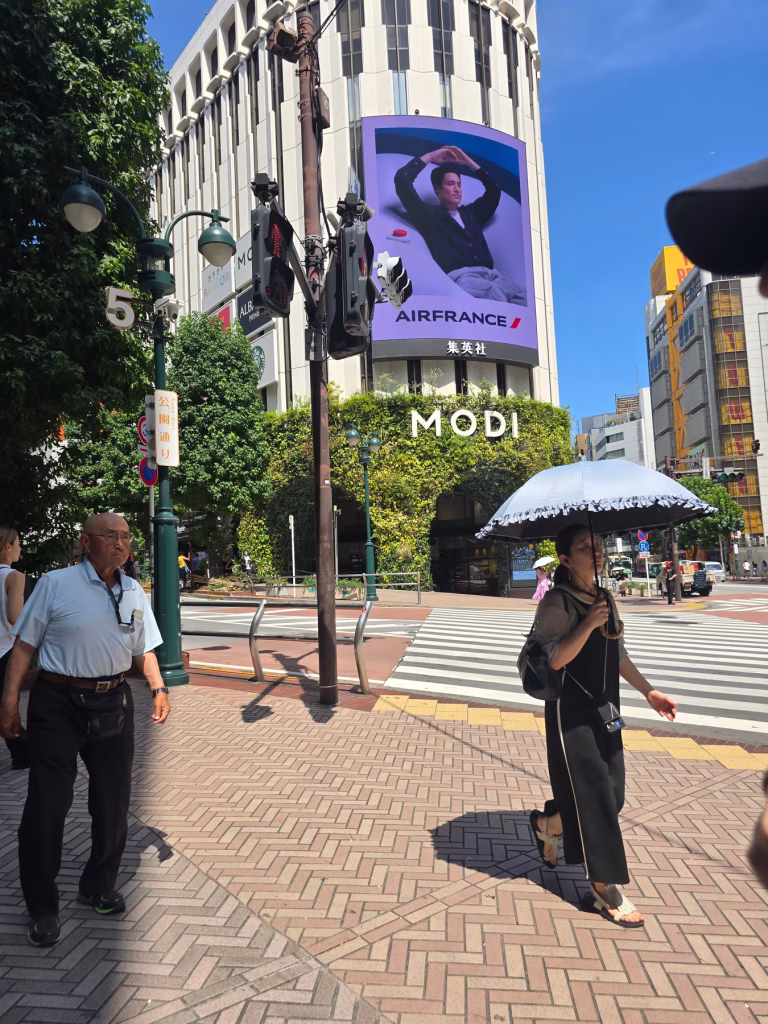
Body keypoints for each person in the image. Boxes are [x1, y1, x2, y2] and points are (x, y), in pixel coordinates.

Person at [0, 513, 171, 948]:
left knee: (113, 801)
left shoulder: (133, 590)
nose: (121, 543)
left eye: (126, 536)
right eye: (110, 536)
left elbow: (143, 647)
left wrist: (158, 687)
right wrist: (7, 703)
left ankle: (98, 883)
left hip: (113, 701)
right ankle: (42, 906)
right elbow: (23, 646)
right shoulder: (57, 584)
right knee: (47, 805)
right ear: (86, 542)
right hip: (57, 702)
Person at [528, 524, 677, 927]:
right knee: (594, 796)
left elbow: (619, 654)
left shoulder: (605, 597)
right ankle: (604, 888)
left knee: (613, 793)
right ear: (565, 558)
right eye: (584, 547)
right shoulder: (556, 602)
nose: (596, 552)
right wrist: (587, 624)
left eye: (597, 546)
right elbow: (554, 660)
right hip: (569, 713)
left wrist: (649, 692)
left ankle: (547, 824)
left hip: (604, 708)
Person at [394, 145, 526, 303]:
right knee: (494, 293)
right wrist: (431, 156)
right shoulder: (428, 216)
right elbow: (402, 179)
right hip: (462, 277)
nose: (457, 189)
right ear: (437, 189)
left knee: (521, 296)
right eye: (450, 184)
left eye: (459, 184)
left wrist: (467, 162)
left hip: (493, 275)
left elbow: (494, 191)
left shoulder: (473, 213)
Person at [0, 527, 28, 770]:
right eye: (18, 543)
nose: (20, 547)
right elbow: (14, 616)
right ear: (7, 547)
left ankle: (22, 752)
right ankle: (23, 753)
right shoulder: (14, 577)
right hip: (4, 650)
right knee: (7, 705)